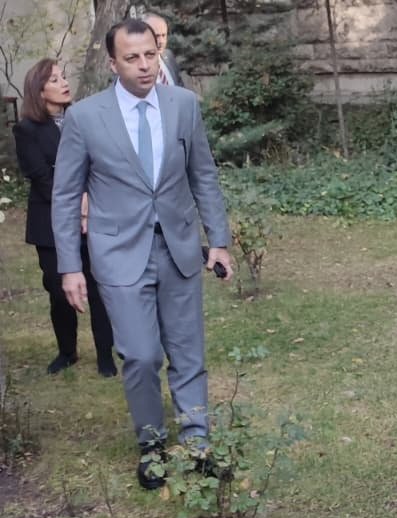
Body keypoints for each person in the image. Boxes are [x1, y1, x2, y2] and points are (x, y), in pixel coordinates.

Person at [52, 18, 234, 489]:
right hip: (117, 254)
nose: (144, 65)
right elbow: (66, 195)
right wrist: (70, 265)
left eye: (150, 54)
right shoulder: (86, 117)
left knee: (188, 351)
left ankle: (198, 445)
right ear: (112, 63)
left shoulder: (184, 106)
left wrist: (218, 240)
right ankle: (151, 445)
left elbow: (204, 175)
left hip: (177, 249)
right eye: (132, 58)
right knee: (140, 354)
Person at [12, 58, 116, 377]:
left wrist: (89, 202)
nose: (64, 83)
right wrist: (77, 203)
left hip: (93, 216)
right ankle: (67, 351)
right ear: (39, 91)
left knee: (99, 288)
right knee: (59, 291)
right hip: (51, 223)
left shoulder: (81, 119)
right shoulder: (26, 129)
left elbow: (100, 163)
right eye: (54, 80)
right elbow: (42, 177)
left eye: (64, 77)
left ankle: (105, 356)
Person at [143, 13, 185, 88]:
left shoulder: (168, 55)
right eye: (157, 36)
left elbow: (180, 84)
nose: (161, 41)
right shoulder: (140, 65)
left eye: (164, 35)